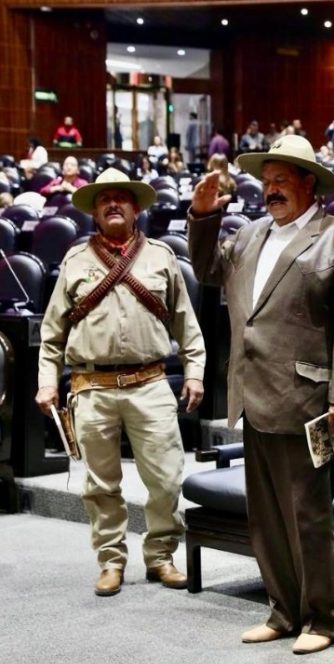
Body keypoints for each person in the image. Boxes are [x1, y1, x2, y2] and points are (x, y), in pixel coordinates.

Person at [187, 134, 334, 655]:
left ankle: (322, 618)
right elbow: (206, 270)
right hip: (253, 394)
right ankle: (282, 610)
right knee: (266, 516)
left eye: (282, 181)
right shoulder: (249, 235)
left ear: (309, 184)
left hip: (311, 400)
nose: (271, 190)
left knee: (308, 517)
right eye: (266, 182)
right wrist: (203, 216)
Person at [34, 168, 206, 597]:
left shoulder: (161, 257)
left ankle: (161, 555)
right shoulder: (75, 260)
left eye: (122, 197)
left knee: (166, 478)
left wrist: (194, 371)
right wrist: (47, 383)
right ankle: (111, 560)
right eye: (104, 198)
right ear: (94, 212)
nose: (113, 203)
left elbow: (186, 323)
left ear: (136, 208)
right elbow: (52, 333)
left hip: (150, 383)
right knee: (100, 485)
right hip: (92, 386)